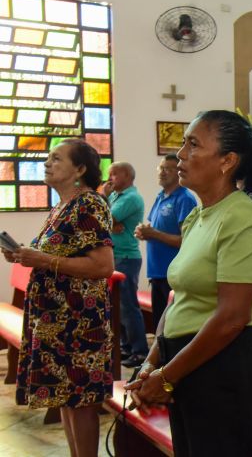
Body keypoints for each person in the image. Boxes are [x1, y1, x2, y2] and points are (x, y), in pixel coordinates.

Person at [125, 110, 252, 457]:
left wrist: (167, 375)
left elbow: (231, 317)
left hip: (221, 371)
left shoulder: (242, 217)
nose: (181, 154)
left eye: (193, 144)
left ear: (227, 160)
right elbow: (177, 300)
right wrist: (152, 362)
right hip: (186, 361)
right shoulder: (198, 216)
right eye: (184, 143)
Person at [3, 139, 114, 457]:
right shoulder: (63, 206)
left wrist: (40, 260)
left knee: (79, 400)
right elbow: (57, 253)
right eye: (48, 158)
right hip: (57, 320)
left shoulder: (90, 204)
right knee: (66, 398)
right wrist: (25, 255)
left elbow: (103, 265)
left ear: (79, 170)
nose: (47, 163)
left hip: (79, 322)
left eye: (56, 158)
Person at [134, 154, 197, 326]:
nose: (162, 172)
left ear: (179, 172)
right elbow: (155, 227)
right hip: (157, 272)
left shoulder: (185, 199)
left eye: (168, 169)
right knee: (158, 325)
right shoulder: (160, 196)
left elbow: (188, 241)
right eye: (161, 168)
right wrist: (144, 231)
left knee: (172, 327)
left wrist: (153, 233)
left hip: (174, 274)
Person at [107, 161, 148, 368]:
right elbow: (102, 221)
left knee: (128, 306)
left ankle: (139, 351)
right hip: (114, 256)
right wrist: (110, 223)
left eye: (113, 174)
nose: (110, 179)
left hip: (126, 257)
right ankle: (125, 346)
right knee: (116, 305)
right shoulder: (115, 196)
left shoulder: (131, 197)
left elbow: (107, 217)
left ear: (126, 175)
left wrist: (110, 221)